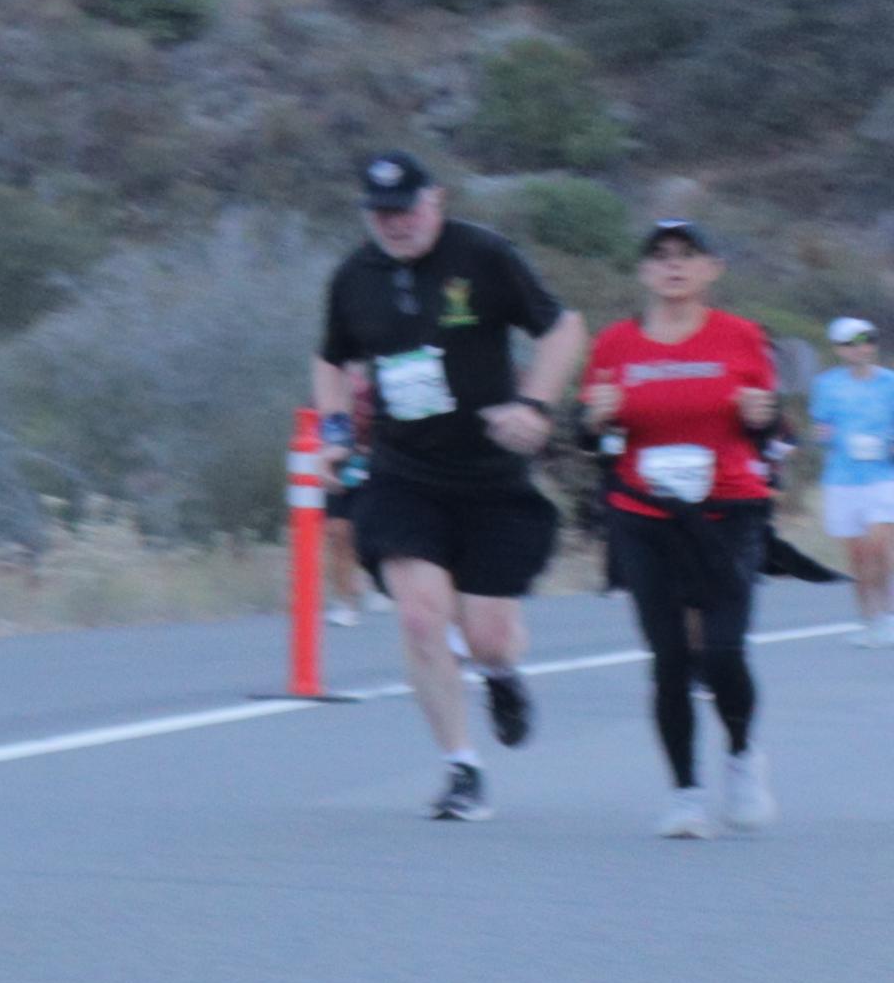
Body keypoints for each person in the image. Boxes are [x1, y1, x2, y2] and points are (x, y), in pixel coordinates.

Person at [316, 151, 576, 820]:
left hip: (491, 476)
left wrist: (536, 406)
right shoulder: (354, 276)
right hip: (404, 474)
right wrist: (335, 430)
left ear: (435, 200)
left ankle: (500, 674)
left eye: (405, 209)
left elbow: (563, 330)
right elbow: (332, 358)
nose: (395, 224)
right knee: (420, 616)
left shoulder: (483, 256)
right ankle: (461, 766)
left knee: (489, 636)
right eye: (381, 213)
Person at [585, 217, 786, 838]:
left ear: (710, 269)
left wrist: (763, 416)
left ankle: (742, 756)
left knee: (722, 651)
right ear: (645, 271)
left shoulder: (741, 337)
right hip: (645, 515)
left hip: (728, 512)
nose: (673, 265)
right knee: (670, 656)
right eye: (661, 255)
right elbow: (593, 436)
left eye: (687, 254)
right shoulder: (615, 344)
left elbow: (771, 432)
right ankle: (685, 794)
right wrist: (594, 420)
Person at [814, 318, 894, 640]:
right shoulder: (827, 385)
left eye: (866, 340)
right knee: (858, 556)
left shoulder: (889, 383)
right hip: (842, 479)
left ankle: (889, 615)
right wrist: (827, 437)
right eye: (850, 343)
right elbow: (821, 431)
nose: (860, 348)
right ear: (839, 349)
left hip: (882, 477)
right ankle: (870, 620)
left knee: (880, 547)